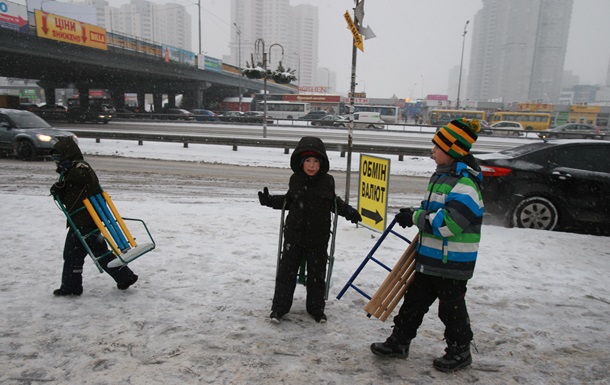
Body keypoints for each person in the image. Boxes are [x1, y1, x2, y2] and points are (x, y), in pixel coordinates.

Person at [370, 118, 484, 373]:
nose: (432, 151)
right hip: (430, 259)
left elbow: (448, 225)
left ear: (452, 151)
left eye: (437, 147)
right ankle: (399, 342)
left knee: (451, 311)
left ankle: (460, 351)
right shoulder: (441, 178)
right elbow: (431, 211)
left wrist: (415, 218)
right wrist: (415, 212)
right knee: (414, 303)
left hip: (452, 263)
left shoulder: (466, 185)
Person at [258, 136, 362, 324]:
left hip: (318, 238)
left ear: (322, 163)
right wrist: (269, 201)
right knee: (286, 274)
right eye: (307, 161)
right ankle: (279, 309)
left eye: (315, 161)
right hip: (294, 236)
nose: (312, 165)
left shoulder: (327, 181)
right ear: (301, 162)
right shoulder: (295, 180)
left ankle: (316, 309)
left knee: (316, 276)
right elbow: (288, 202)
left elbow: (334, 203)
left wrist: (350, 212)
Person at [50, 137, 139, 296]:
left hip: (86, 220)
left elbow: (87, 178)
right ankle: (124, 277)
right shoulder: (69, 171)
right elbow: (71, 198)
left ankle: (72, 286)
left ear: (67, 154)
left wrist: (69, 172)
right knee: (88, 254)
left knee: (77, 255)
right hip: (82, 220)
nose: (56, 162)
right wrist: (60, 190)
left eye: (58, 157)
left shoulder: (80, 166)